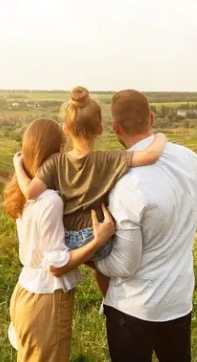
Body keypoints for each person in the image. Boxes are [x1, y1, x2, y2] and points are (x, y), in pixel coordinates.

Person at [94, 89, 197, 362]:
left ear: (114, 128)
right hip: (178, 298)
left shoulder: (124, 184)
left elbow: (124, 265)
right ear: (153, 117)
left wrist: (94, 252)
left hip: (133, 307)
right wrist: (172, 238)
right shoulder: (191, 160)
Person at [2, 118, 117, 362]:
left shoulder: (22, 194)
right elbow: (56, 264)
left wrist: (16, 164)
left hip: (25, 293)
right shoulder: (50, 199)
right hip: (46, 301)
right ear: (57, 152)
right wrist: (98, 240)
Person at [12, 87, 167, 297]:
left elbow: (30, 192)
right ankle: (109, 301)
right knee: (104, 263)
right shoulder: (108, 159)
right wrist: (161, 136)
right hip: (95, 237)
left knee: (91, 259)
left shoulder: (55, 162)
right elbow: (150, 156)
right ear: (101, 129)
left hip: (65, 241)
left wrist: (17, 165)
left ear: (66, 129)